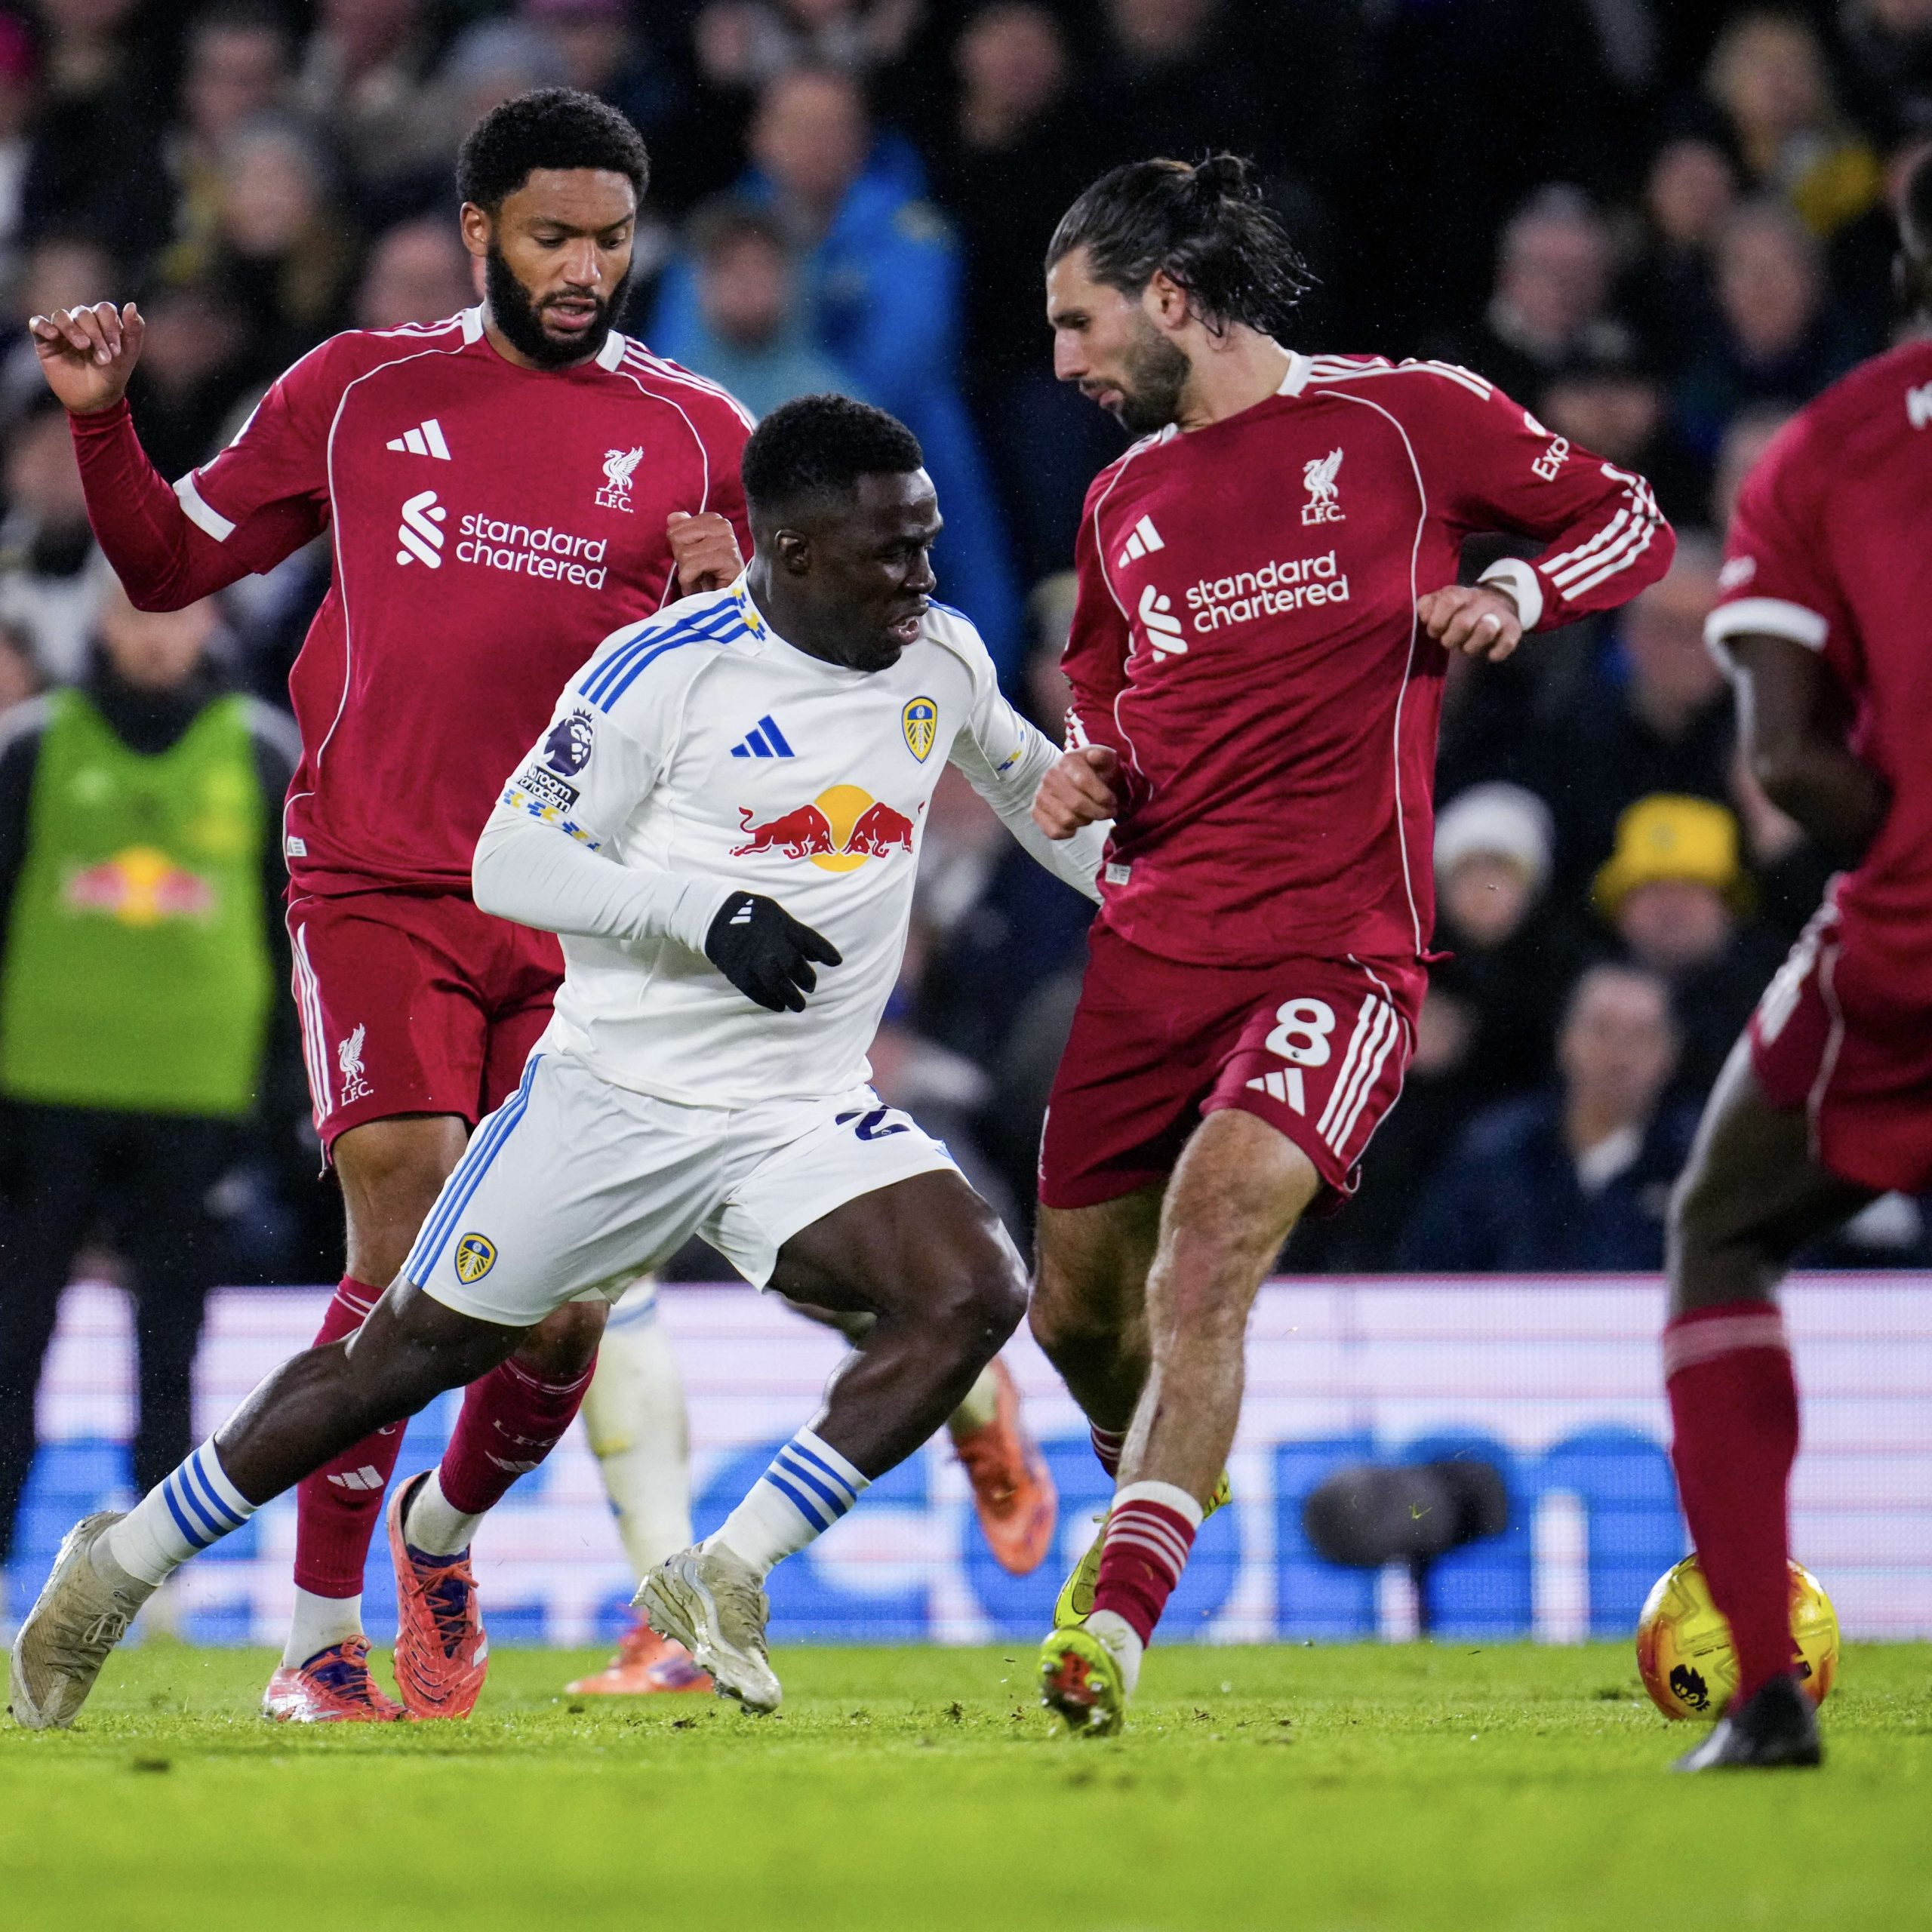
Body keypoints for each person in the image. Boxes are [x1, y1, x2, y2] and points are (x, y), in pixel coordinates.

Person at [8, 394, 1106, 1732]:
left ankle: (729, 1570)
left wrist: (1184, 902)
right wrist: (706, 916)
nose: (923, 578)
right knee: (392, 1358)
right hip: (612, 1102)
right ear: (797, 552)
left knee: (972, 1288)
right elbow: (510, 861)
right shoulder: (663, 671)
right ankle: (113, 1571)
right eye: (893, 552)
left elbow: (1044, 803)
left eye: (927, 544)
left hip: (798, 1108)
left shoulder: (940, 657)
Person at [25, 88, 752, 1723]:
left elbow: (753, 708)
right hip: (378, 877)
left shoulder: (704, 433)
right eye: (555, 236)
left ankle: (443, 1533)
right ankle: (317, 1643)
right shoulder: (359, 389)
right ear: (480, 231)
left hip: (580, 909)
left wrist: (728, 614)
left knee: (561, 1309)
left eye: (613, 240)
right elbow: (165, 566)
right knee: (408, 1239)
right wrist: (100, 419)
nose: (586, 268)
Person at [1026, 155, 1675, 1737]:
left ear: (1169, 299)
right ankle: (1169, 1466)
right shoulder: (1120, 499)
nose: (1063, 362)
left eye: (1078, 321)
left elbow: (1630, 521)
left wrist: (1515, 584)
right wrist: (1086, 760)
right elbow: (1104, 683)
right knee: (1073, 1314)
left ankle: (1108, 1625)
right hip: (1150, 944)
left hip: (1336, 945)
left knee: (1209, 1240)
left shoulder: (1402, 420)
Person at [1660, 148, 1932, 1773]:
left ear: (1899, 274)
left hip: (1910, 942)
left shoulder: (1828, 450)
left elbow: (1780, 757)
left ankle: (1762, 1691)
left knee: (1721, 1225)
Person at [0, 584, 297, 1580]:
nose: (158, 639)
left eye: (177, 618)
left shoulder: (260, 752)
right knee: (13, 1339)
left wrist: (281, 1095)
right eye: (138, 618)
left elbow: (292, 937)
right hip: (41, 1096)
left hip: (199, 1099)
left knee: (171, 1352)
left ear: (210, 626)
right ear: (100, 626)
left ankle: (152, 1577)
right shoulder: (34, 745)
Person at [1395, 963, 1695, 1273]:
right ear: (1565, 1040)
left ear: (1671, 1052)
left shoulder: (1696, 1163)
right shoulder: (1497, 1154)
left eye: (1640, 1036)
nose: (1619, 1054)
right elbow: (1428, 1276)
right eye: (1601, 1030)